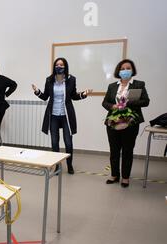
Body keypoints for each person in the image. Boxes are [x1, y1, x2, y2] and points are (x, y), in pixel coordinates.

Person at [32, 57, 92, 174]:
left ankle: (69, 165)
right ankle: (57, 166)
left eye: (61, 65)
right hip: (53, 115)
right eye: (57, 65)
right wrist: (37, 92)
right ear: (54, 66)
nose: (59, 67)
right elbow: (45, 97)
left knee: (68, 142)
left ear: (65, 67)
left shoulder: (71, 79)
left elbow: (74, 95)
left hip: (66, 116)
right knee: (54, 142)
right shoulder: (49, 80)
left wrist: (83, 95)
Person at [102, 59, 150, 187]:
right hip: (113, 122)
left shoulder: (139, 84)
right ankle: (114, 175)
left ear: (132, 70)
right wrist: (113, 106)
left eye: (128, 68)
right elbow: (105, 102)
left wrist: (128, 102)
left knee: (127, 150)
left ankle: (125, 177)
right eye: (122, 69)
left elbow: (146, 101)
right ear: (118, 71)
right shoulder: (112, 86)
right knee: (114, 150)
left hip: (131, 122)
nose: (125, 71)